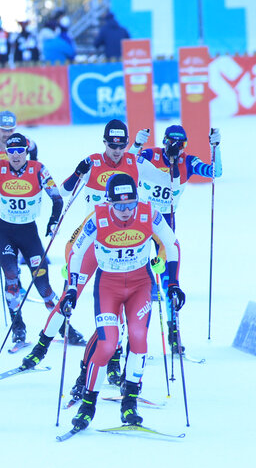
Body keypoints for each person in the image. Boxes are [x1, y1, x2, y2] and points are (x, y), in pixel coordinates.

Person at [20, 120, 169, 374]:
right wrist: (79, 172)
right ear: (105, 142)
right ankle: (42, 346)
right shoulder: (93, 162)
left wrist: (173, 159)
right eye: (112, 145)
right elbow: (65, 192)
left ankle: (113, 358)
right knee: (71, 294)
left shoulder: (135, 162)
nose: (117, 150)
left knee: (121, 302)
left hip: (126, 239)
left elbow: (167, 180)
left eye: (121, 145)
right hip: (92, 239)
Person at [63, 173, 184, 432]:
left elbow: (172, 244)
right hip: (109, 285)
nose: (126, 211)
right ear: (109, 202)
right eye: (119, 206)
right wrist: (72, 288)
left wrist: (173, 282)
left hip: (141, 284)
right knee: (107, 344)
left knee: (139, 338)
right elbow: (76, 252)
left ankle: (129, 402)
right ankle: (88, 404)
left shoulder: (149, 213)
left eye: (130, 204)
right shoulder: (98, 218)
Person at [0, 132, 78, 343]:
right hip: (5, 232)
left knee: (43, 284)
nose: (16, 155)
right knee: (11, 277)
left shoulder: (38, 169)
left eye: (20, 151)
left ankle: (63, 327)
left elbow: (57, 198)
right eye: (11, 151)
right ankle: (17, 326)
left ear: (26, 151)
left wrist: (53, 221)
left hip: (29, 232)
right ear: (7, 153)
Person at [132, 124, 222, 352]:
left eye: (182, 144)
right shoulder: (150, 155)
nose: (177, 148)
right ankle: (132, 334)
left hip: (165, 224)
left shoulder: (188, 162)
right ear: (164, 141)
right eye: (173, 143)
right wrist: (137, 144)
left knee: (169, 277)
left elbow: (215, 172)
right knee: (137, 271)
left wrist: (216, 147)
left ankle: (174, 329)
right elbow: (127, 163)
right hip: (141, 220)